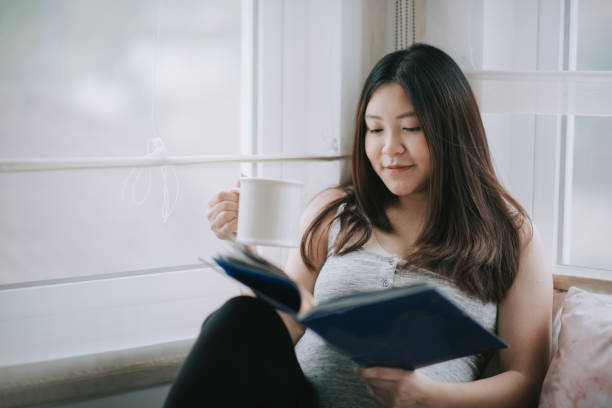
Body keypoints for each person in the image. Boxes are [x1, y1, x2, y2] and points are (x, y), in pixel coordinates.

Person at [164, 43, 552, 408]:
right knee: (239, 317)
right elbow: (287, 321)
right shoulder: (336, 211)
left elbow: (525, 380)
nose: (389, 149)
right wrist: (245, 240)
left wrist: (427, 397)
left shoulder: (512, 237)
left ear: (451, 130)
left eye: (411, 128)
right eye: (375, 129)